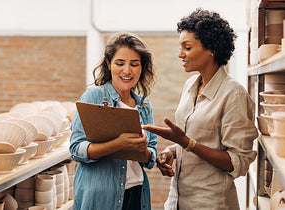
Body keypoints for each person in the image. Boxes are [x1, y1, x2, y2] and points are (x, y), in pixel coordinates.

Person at [142, 9, 258, 210]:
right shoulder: (190, 85)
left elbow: (238, 163)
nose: (180, 54)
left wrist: (186, 143)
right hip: (178, 200)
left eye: (187, 47)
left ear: (211, 48)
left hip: (210, 203)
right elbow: (194, 140)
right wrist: (172, 151)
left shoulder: (234, 94)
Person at [69, 32, 158, 210]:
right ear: (109, 64)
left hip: (137, 194)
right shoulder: (94, 96)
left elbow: (151, 157)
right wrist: (118, 144)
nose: (127, 70)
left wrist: (145, 150)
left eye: (134, 64)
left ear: (142, 68)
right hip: (100, 197)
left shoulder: (144, 104)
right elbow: (76, 150)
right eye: (120, 63)